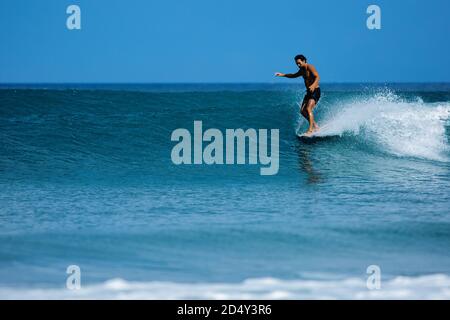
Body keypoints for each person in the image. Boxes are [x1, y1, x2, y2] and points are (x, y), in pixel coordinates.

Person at [275, 54, 321, 135]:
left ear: (304, 61)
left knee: (308, 109)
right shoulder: (302, 71)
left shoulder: (310, 67)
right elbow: (293, 75)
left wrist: (313, 85)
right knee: (302, 111)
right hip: (309, 92)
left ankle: (310, 130)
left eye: (299, 63)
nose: (298, 65)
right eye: (297, 64)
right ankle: (315, 126)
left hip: (315, 91)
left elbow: (317, 77)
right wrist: (283, 75)